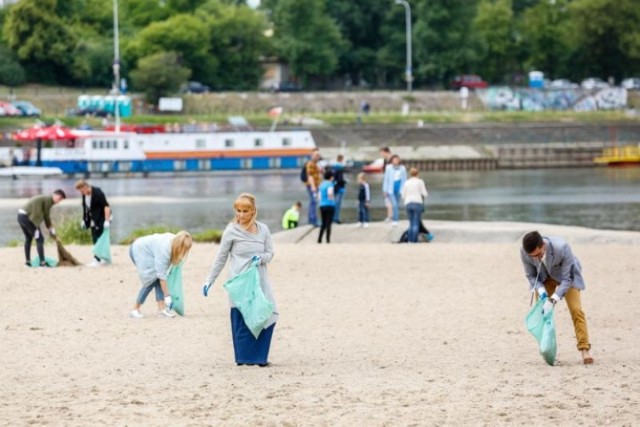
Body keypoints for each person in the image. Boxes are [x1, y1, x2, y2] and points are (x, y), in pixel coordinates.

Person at [202, 193, 278, 367]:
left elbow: (270, 253)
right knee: (242, 317)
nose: (241, 215)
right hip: (239, 282)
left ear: (253, 211)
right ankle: (244, 358)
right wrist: (209, 280)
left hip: (260, 279)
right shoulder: (231, 231)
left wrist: (261, 258)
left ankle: (259, 357)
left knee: (267, 315)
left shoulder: (263, 229)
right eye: (238, 211)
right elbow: (221, 257)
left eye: (245, 211)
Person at [520, 231, 594, 364]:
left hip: (567, 279)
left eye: (539, 254)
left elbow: (568, 278)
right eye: (533, 256)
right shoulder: (525, 251)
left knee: (576, 310)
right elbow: (530, 275)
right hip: (544, 280)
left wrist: (554, 298)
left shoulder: (562, 247)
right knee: (542, 314)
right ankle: (548, 351)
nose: (536, 258)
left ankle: (584, 349)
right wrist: (541, 290)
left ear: (543, 245)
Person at [129, 231, 193, 319]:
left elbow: (161, 275)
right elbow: (162, 276)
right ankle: (135, 309)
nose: (184, 251)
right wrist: (167, 296)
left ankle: (161, 310)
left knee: (157, 279)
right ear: (179, 245)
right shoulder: (164, 249)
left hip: (147, 251)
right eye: (183, 248)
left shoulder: (175, 241)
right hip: (138, 250)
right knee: (150, 280)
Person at [17, 190, 66, 267]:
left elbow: (45, 216)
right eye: (59, 198)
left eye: (61, 200)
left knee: (28, 238)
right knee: (40, 239)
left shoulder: (46, 199)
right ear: (54, 195)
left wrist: (50, 228)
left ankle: (27, 263)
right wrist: (41, 228)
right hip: (27, 218)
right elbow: (41, 215)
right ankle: (42, 263)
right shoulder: (48, 200)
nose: (59, 201)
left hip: (20, 216)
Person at [75, 180, 112, 267]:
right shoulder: (84, 195)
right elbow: (85, 208)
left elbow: (106, 206)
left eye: (82, 191)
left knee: (99, 239)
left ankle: (98, 259)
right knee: (95, 238)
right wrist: (84, 220)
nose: (81, 193)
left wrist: (106, 220)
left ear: (85, 187)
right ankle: (102, 258)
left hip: (101, 219)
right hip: (92, 220)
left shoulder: (98, 193)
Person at [402, 168, 428, 243]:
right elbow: (425, 194)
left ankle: (410, 240)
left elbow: (403, 195)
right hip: (417, 203)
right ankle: (414, 240)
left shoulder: (406, 182)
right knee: (416, 223)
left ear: (410, 174)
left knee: (411, 223)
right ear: (418, 174)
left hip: (408, 203)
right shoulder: (420, 182)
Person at [382, 155, 407, 226]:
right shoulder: (388, 168)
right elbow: (386, 179)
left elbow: (404, 179)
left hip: (399, 188)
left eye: (396, 160)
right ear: (392, 160)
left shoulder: (402, 168)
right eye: (394, 160)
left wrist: (404, 190)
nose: (395, 161)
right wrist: (385, 190)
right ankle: (395, 219)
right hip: (390, 189)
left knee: (397, 204)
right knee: (394, 204)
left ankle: (394, 218)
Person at [304, 150, 322, 226]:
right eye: (316, 155)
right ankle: (313, 220)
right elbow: (310, 176)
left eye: (318, 155)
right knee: (313, 202)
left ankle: (312, 219)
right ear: (312, 156)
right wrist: (313, 186)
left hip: (316, 185)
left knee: (313, 202)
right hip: (312, 186)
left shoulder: (316, 164)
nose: (318, 157)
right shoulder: (310, 164)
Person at [317, 170, 336, 244]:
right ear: (331, 177)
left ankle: (319, 239)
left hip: (322, 205)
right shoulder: (330, 184)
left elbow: (319, 197)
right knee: (329, 223)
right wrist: (332, 199)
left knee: (323, 223)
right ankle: (328, 240)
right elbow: (330, 194)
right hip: (330, 205)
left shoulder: (321, 185)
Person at [332, 154, 347, 224]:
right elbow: (340, 179)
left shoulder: (334, 168)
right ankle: (336, 219)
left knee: (334, 203)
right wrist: (345, 182)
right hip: (340, 188)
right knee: (338, 204)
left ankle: (333, 218)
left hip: (334, 188)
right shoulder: (340, 168)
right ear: (341, 159)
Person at [379, 147, 393, 221]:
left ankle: (391, 216)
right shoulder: (385, 160)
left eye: (382, 153)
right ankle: (390, 216)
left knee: (390, 199)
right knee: (387, 199)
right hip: (386, 180)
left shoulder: (392, 160)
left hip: (391, 182)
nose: (381, 155)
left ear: (386, 152)